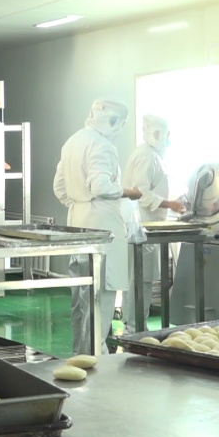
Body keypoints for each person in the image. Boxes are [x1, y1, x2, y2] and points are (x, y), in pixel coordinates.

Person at [54, 98, 142, 355]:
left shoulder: (73, 141)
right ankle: (98, 355)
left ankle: (81, 352)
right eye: (121, 123)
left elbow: (59, 188)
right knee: (102, 293)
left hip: (77, 222)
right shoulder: (102, 145)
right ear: (113, 121)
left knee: (82, 292)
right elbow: (100, 186)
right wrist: (129, 192)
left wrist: (79, 203)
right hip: (103, 225)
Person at [122, 115, 185, 332]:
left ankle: (134, 324)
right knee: (141, 278)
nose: (163, 138)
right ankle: (134, 326)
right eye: (159, 133)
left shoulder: (154, 156)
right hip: (141, 225)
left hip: (148, 225)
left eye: (164, 133)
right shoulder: (146, 156)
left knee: (141, 278)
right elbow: (141, 194)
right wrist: (171, 205)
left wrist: (173, 202)